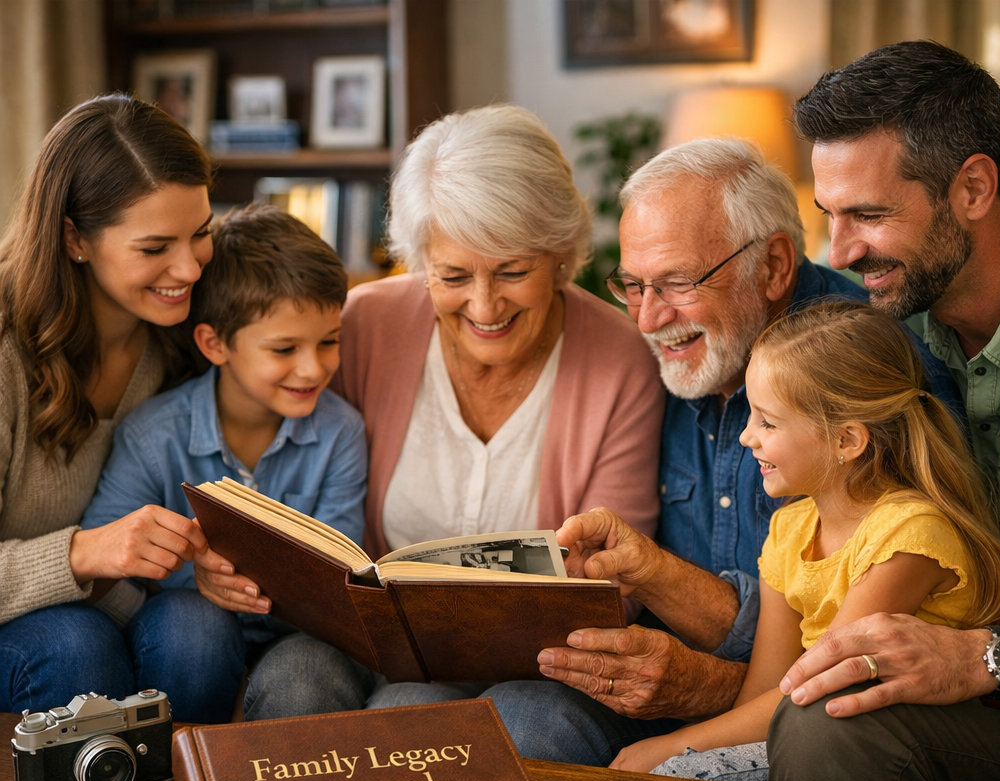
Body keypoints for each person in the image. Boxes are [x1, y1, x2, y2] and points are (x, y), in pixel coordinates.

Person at [486, 137, 961, 767]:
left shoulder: (859, 376)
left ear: (772, 267)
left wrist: (687, 699)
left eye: (678, 283)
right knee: (505, 719)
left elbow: (824, 679)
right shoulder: (685, 357)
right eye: (633, 286)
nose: (650, 318)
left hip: (826, 723)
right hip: (715, 694)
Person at [241, 103, 664, 718]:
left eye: (513, 271)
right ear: (421, 264)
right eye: (454, 275)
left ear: (559, 255)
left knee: (425, 712)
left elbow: (613, 587)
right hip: (368, 634)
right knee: (296, 679)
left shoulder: (620, 357)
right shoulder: (364, 326)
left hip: (541, 661)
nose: (485, 305)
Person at [766, 40, 1000, 781]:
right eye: (830, 217)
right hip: (980, 717)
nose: (841, 251)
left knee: (826, 726)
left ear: (973, 186)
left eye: (869, 216)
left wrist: (991, 657)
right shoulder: (891, 337)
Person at [609, 302, 1000, 781]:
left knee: (677, 777)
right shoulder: (790, 530)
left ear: (846, 440)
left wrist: (672, 749)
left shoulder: (907, 534)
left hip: (904, 742)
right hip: (808, 724)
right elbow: (766, 688)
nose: (746, 438)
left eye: (767, 422)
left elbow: (816, 686)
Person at [0, 94, 245, 718]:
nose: (189, 268)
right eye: (155, 247)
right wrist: (82, 552)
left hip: (120, 607)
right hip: (32, 629)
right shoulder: (7, 354)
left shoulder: (182, 337)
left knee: (199, 630)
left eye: (201, 233)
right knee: (73, 645)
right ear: (75, 239)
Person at [82, 204, 368, 723]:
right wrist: (196, 579)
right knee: (193, 623)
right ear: (215, 344)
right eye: (284, 348)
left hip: (298, 637)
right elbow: (108, 559)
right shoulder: (153, 435)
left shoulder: (340, 431)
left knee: (305, 676)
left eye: (329, 342)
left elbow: (340, 567)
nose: (313, 367)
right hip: (185, 635)